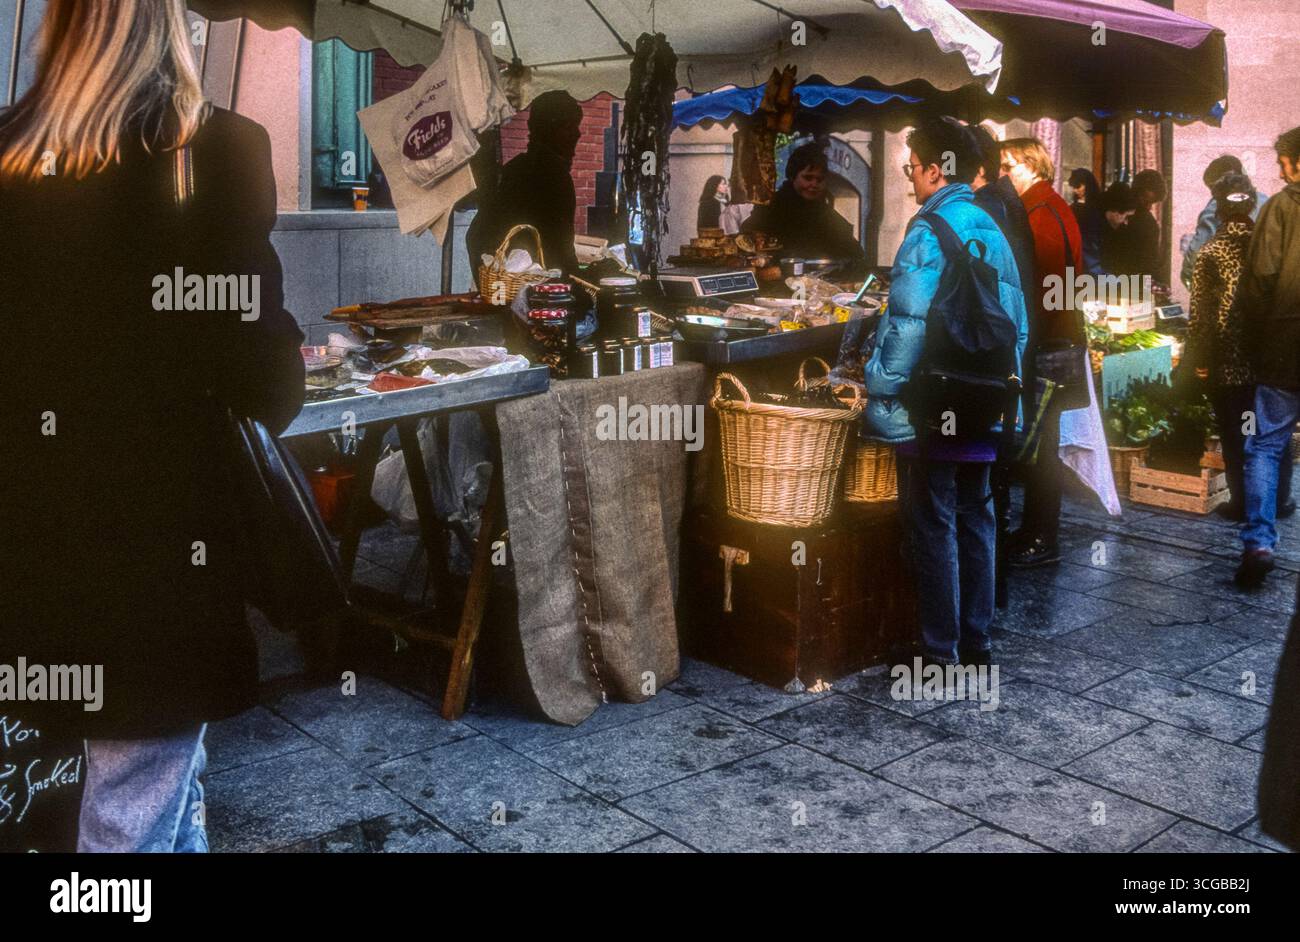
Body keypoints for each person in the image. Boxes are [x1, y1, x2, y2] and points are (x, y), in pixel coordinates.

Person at [1, 0, 306, 851]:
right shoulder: (217, 151)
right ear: (167, 23)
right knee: (131, 815)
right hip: (162, 558)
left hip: (35, 544)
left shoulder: (8, 150)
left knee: (151, 795)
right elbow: (268, 381)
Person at [863, 117, 1029, 667]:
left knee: (933, 520)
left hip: (935, 402)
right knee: (977, 515)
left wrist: (878, 388)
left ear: (936, 169)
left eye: (912, 169)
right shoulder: (991, 225)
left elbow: (906, 327)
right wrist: (1006, 394)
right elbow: (1017, 326)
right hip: (984, 401)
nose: (910, 179)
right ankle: (977, 642)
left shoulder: (926, 231)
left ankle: (939, 651)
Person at [1186, 173, 1294, 522]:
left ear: (1217, 206)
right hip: (1266, 360)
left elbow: (1200, 316)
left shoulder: (1210, 253)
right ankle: (1279, 500)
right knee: (1266, 433)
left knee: (1237, 433)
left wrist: (1198, 361)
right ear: (1251, 204)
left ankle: (1244, 502)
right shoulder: (1265, 246)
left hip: (1228, 364)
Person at [999, 137, 1084, 567]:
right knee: (1040, 445)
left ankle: (1040, 538)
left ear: (1031, 165)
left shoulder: (1040, 213)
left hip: (1047, 344)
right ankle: (1035, 532)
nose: (1002, 174)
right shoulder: (1052, 206)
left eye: (1007, 165)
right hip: (1057, 338)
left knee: (1039, 447)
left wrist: (1029, 338)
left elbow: (1048, 286)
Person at [1235, 126, 1300, 587]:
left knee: (1264, 444)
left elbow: (1259, 280)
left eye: (1282, 162)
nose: (1280, 170)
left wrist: (1252, 340)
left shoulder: (1280, 208)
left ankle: (1259, 542)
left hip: (1283, 348)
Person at [466, 90, 585, 284]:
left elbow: (476, 233)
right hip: (532, 290)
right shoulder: (551, 174)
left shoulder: (516, 168)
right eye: (569, 126)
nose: (577, 133)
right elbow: (559, 245)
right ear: (550, 129)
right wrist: (576, 282)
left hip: (510, 284)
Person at [742, 141, 865, 266]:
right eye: (808, 178)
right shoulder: (773, 207)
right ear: (793, 177)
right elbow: (749, 239)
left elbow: (854, 252)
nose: (814, 185)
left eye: (820, 179)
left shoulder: (824, 211)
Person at [1180, 154, 1268, 289]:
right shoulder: (1266, 201)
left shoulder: (1215, 206)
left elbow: (1197, 251)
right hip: (1259, 291)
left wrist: (1188, 278)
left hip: (1224, 291)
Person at [1125, 168, 1168, 281]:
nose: (1149, 207)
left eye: (1151, 203)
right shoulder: (1147, 223)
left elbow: (1149, 262)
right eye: (1145, 201)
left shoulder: (1149, 223)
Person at [1098, 181, 1141, 275]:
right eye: (1125, 216)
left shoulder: (1125, 232)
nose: (1126, 221)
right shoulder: (1095, 232)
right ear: (1115, 211)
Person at [1067, 168, 1104, 275]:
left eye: (1078, 186)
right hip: (1084, 251)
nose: (1075, 190)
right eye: (1074, 187)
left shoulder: (1099, 205)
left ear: (1087, 185)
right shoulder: (1074, 208)